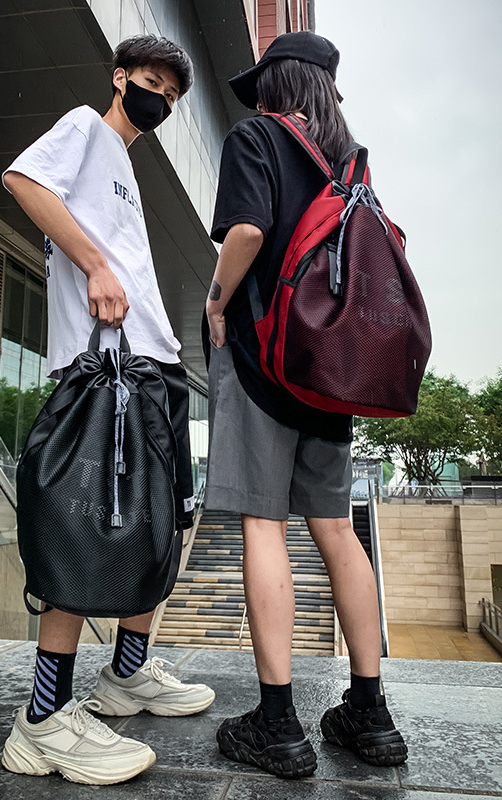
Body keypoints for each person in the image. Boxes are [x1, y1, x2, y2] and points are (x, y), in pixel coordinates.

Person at [0, 34, 215, 786]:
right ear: (121, 78)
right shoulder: (85, 129)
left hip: (153, 368)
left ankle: (125, 674)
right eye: (152, 83)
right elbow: (24, 180)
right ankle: (43, 719)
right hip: (107, 369)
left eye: (174, 95)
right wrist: (93, 264)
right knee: (86, 530)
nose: (162, 100)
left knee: (159, 527)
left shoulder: (122, 164)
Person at [204, 31, 408, 778]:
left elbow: (250, 230)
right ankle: (370, 710)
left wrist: (218, 302)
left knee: (266, 525)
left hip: (265, 363)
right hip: (333, 371)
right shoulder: (353, 163)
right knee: (334, 529)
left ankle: (279, 722)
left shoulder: (255, 137)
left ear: (278, 82)